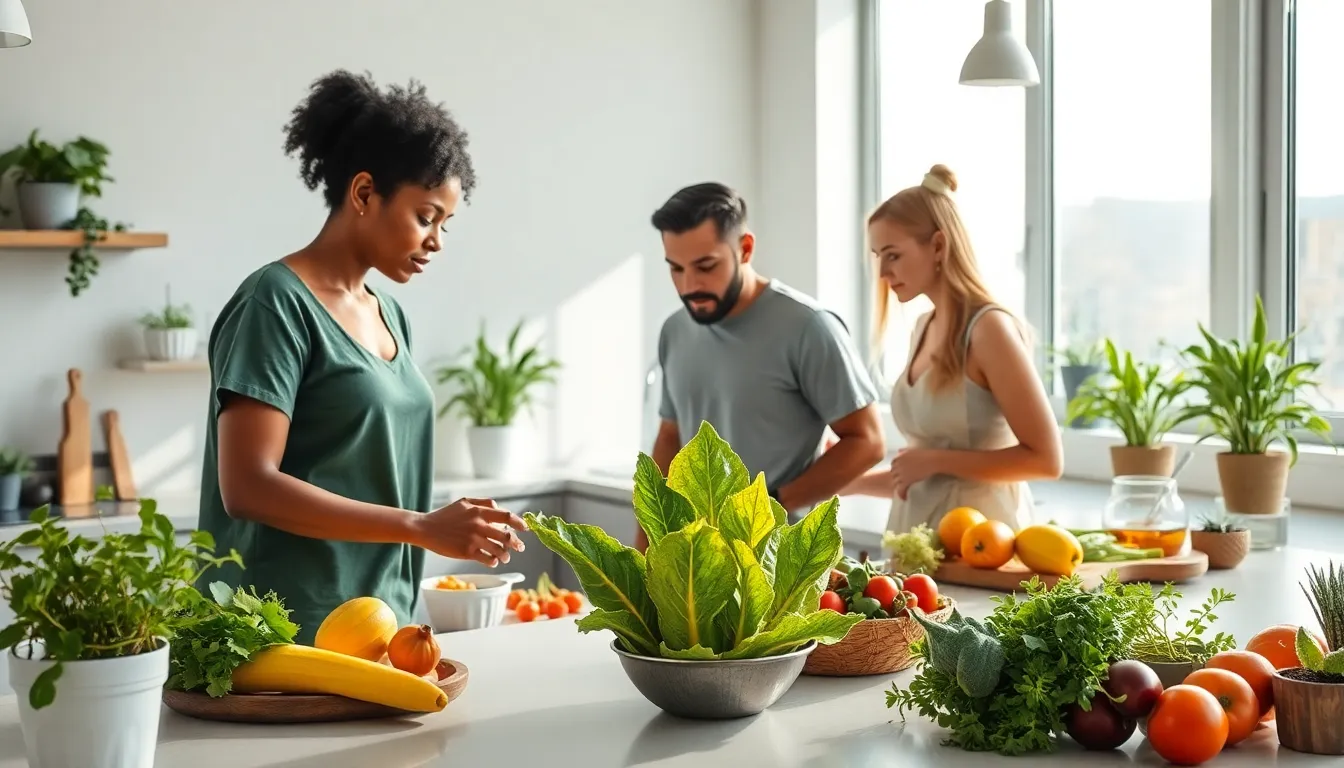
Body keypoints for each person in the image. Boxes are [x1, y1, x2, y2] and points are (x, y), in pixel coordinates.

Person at [197, 70, 527, 644]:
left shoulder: (389, 314)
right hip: (283, 635)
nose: (436, 241)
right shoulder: (274, 302)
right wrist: (420, 526)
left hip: (381, 626)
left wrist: (437, 524)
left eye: (445, 224)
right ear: (364, 193)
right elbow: (248, 486)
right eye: (425, 216)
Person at [637, 182, 885, 552]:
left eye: (706, 266)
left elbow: (868, 441)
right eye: (676, 268)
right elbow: (670, 438)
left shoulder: (809, 327)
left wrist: (770, 506)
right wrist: (646, 548)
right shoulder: (674, 330)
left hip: (781, 561)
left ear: (745, 248)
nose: (689, 286)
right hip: (695, 560)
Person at [843, 164, 1062, 534]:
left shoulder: (989, 330)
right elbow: (922, 474)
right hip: (918, 541)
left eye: (893, 255)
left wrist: (934, 461)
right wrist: (849, 482)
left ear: (938, 246)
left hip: (980, 544)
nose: (882, 273)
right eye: (878, 256)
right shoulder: (922, 327)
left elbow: (1046, 460)